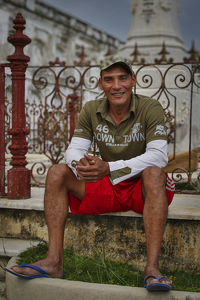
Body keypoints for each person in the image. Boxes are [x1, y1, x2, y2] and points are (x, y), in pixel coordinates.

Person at [8, 56, 175, 290]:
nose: (116, 85)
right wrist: (82, 165)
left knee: (154, 173)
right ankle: (54, 261)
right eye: (109, 79)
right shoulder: (91, 109)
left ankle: (152, 269)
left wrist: (109, 168)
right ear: (101, 84)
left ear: (133, 81)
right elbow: (74, 149)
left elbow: (158, 156)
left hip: (143, 189)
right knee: (57, 172)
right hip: (108, 185)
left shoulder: (150, 107)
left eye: (122, 78)